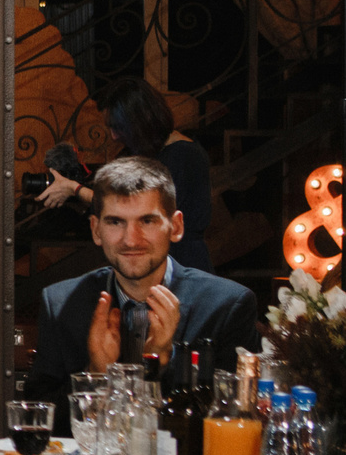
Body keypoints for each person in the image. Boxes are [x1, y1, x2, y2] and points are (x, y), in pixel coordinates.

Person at [25, 156, 260, 407]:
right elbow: (40, 413)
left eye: (147, 221)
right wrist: (96, 375)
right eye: (115, 222)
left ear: (176, 226)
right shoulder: (60, 302)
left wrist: (162, 364)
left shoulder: (227, 306)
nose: (131, 240)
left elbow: (238, 416)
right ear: (96, 230)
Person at [37, 79, 214, 271]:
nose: (114, 136)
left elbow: (135, 208)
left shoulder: (183, 156)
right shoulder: (153, 154)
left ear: (141, 121)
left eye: (118, 127)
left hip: (182, 265)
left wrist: (76, 189)